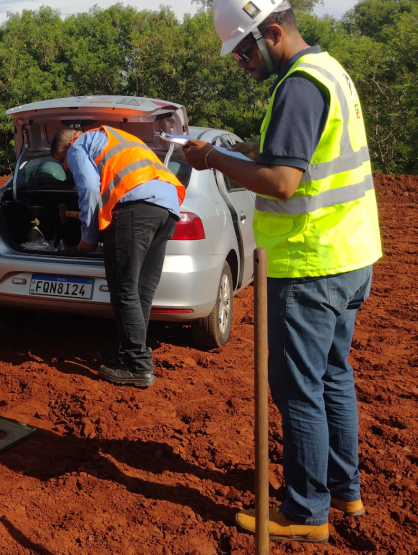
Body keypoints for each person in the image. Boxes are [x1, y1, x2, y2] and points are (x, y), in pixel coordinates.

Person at [182, 0, 382, 543]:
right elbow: (303, 157)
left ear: (271, 32)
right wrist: (246, 147)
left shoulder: (296, 86)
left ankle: (305, 510)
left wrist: (213, 159)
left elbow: (285, 182)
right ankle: (345, 489)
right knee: (334, 374)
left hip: (309, 264)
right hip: (350, 256)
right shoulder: (329, 71)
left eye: (243, 51)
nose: (240, 63)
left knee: (297, 389)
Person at [51, 126, 184, 388]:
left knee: (124, 289)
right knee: (141, 290)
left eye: (62, 162)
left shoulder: (78, 146)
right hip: (167, 207)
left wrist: (88, 239)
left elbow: (88, 189)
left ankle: (138, 366)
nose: (66, 168)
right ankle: (128, 355)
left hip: (136, 208)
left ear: (66, 147)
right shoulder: (115, 137)